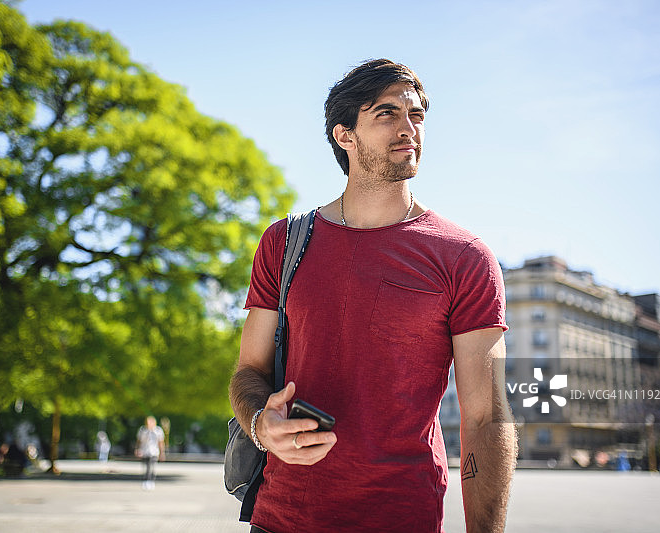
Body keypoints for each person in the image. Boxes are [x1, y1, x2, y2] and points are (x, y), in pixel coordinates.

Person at [229, 59, 517, 533]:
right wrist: (262, 424)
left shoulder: (464, 257)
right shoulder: (283, 244)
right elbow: (249, 372)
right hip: (280, 518)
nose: (409, 130)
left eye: (417, 116)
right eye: (386, 114)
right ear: (345, 136)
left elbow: (485, 417)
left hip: (402, 518)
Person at [135, 416, 165, 490]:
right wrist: (137, 449)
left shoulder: (158, 431)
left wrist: (162, 453)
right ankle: (146, 480)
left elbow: (161, 442)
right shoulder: (143, 430)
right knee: (146, 466)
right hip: (145, 451)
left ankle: (150, 481)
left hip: (154, 451)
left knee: (151, 466)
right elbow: (138, 441)